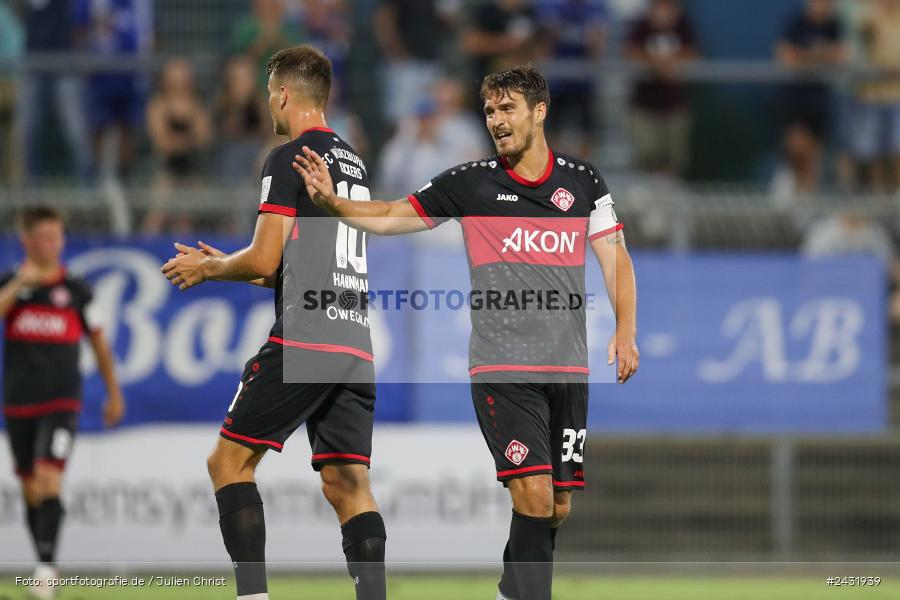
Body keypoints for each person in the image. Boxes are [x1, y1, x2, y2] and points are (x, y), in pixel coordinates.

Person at [293, 64, 639, 600]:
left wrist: (626, 330)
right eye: (490, 111)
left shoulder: (583, 180)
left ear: (539, 111)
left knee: (556, 507)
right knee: (533, 496)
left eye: (508, 109)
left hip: (567, 369)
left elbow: (615, 257)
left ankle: (509, 590)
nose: (496, 120)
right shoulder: (470, 182)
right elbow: (390, 213)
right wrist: (335, 204)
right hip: (502, 369)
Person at [161, 45, 386, 600]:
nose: (268, 104)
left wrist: (211, 268)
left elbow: (263, 260)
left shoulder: (287, 157)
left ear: (284, 94)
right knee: (347, 482)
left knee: (229, 461)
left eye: (269, 94)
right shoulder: (351, 162)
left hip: (307, 333)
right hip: (353, 335)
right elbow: (295, 265)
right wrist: (225, 265)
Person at [0, 206, 125, 600]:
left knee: (49, 478)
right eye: (45, 237)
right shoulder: (12, 286)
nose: (54, 244)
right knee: (31, 489)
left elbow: (99, 342)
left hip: (62, 400)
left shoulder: (77, 290)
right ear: (28, 241)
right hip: (19, 402)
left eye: (58, 236)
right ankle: (44, 563)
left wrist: (113, 391)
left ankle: (46, 573)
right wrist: (21, 282)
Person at [73, 0, 155, 180]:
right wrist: (85, 66)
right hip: (98, 78)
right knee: (96, 130)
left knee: (128, 131)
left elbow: (150, 32)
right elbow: (79, 30)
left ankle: (124, 181)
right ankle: (96, 183)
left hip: (132, 78)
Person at [774, 0, 847, 199]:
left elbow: (841, 56)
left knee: (814, 156)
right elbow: (786, 56)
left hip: (820, 99)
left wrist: (806, 57)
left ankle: (806, 205)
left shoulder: (833, 24)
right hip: (795, 97)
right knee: (796, 149)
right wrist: (819, 56)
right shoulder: (797, 21)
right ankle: (789, 194)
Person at [18, 0, 94, 182]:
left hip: (65, 63)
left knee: (77, 131)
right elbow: (19, 12)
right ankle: (31, 192)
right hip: (34, 64)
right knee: (26, 131)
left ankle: (86, 193)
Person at [623, 0, 698, 177]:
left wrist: (670, 63)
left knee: (673, 155)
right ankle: (648, 190)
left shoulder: (683, 24)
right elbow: (629, 51)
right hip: (645, 103)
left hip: (674, 103)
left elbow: (693, 52)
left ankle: (668, 192)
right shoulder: (642, 25)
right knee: (646, 153)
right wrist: (656, 63)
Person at [142, 57, 212, 233]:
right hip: (166, 169)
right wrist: (188, 140)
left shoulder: (195, 104)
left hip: (192, 169)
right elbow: (163, 144)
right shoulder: (159, 104)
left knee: (186, 219)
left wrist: (179, 141)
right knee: (158, 214)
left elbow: (205, 138)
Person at [537, 0, 609, 159]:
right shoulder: (552, 5)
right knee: (551, 129)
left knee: (587, 130)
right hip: (556, 81)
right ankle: (553, 170)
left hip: (584, 81)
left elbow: (597, 45)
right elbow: (545, 42)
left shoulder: (594, 6)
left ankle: (582, 172)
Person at [850, 0, 900, 192]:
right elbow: (861, 36)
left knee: (897, 153)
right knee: (875, 156)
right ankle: (877, 203)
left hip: (897, 96)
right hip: (872, 97)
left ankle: (896, 205)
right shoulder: (868, 15)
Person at [215, 55, 270, 183]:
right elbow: (230, 130)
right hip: (231, 157)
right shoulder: (223, 101)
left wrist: (254, 100)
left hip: (256, 155)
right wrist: (239, 102)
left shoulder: (260, 100)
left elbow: (268, 129)